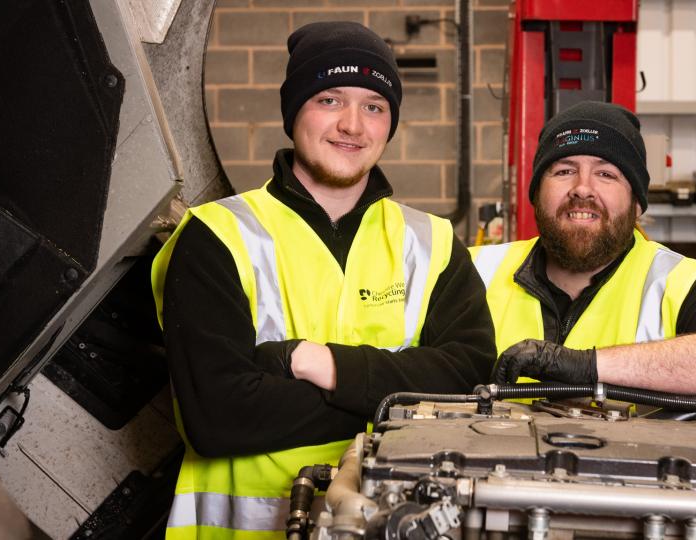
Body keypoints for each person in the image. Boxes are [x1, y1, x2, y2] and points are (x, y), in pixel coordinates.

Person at [151, 22, 494, 539]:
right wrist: (398, 401)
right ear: (294, 113)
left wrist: (315, 364)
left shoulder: (434, 243)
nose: (352, 125)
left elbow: (470, 381)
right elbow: (218, 417)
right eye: (330, 99)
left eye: (374, 106)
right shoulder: (216, 238)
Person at [472, 101, 696, 394]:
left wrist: (589, 366)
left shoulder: (674, 281)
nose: (582, 188)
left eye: (606, 174)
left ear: (637, 204)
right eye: (564, 171)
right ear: (537, 195)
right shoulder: (476, 270)